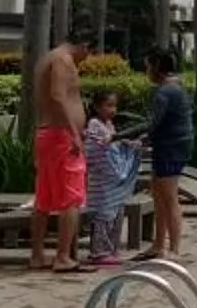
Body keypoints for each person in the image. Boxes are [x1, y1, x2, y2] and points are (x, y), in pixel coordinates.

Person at [30, 26, 90, 272]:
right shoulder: (63, 60)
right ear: (84, 45)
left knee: (44, 198)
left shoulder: (48, 57)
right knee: (71, 197)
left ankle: (37, 255)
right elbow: (57, 95)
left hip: (49, 134)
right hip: (61, 137)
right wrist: (74, 134)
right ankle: (63, 256)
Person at [140, 49, 192, 260]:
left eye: (148, 66)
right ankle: (158, 244)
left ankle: (174, 249)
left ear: (157, 68)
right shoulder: (175, 86)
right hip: (171, 145)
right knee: (159, 196)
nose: (147, 71)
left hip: (171, 148)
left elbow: (152, 123)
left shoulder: (165, 92)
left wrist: (119, 136)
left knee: (169, 197)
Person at [80, 89, 131, 266]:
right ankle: (99, 251)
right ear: (97, 107)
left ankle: (111, 248)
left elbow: (113, 146)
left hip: (112, 180)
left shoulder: (109, 125)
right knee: (103, 215)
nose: (112, 110)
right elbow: (95, 150)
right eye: (108, 105)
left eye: (114, 105)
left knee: (115, 214)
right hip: (101, 180)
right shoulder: (94, 126)